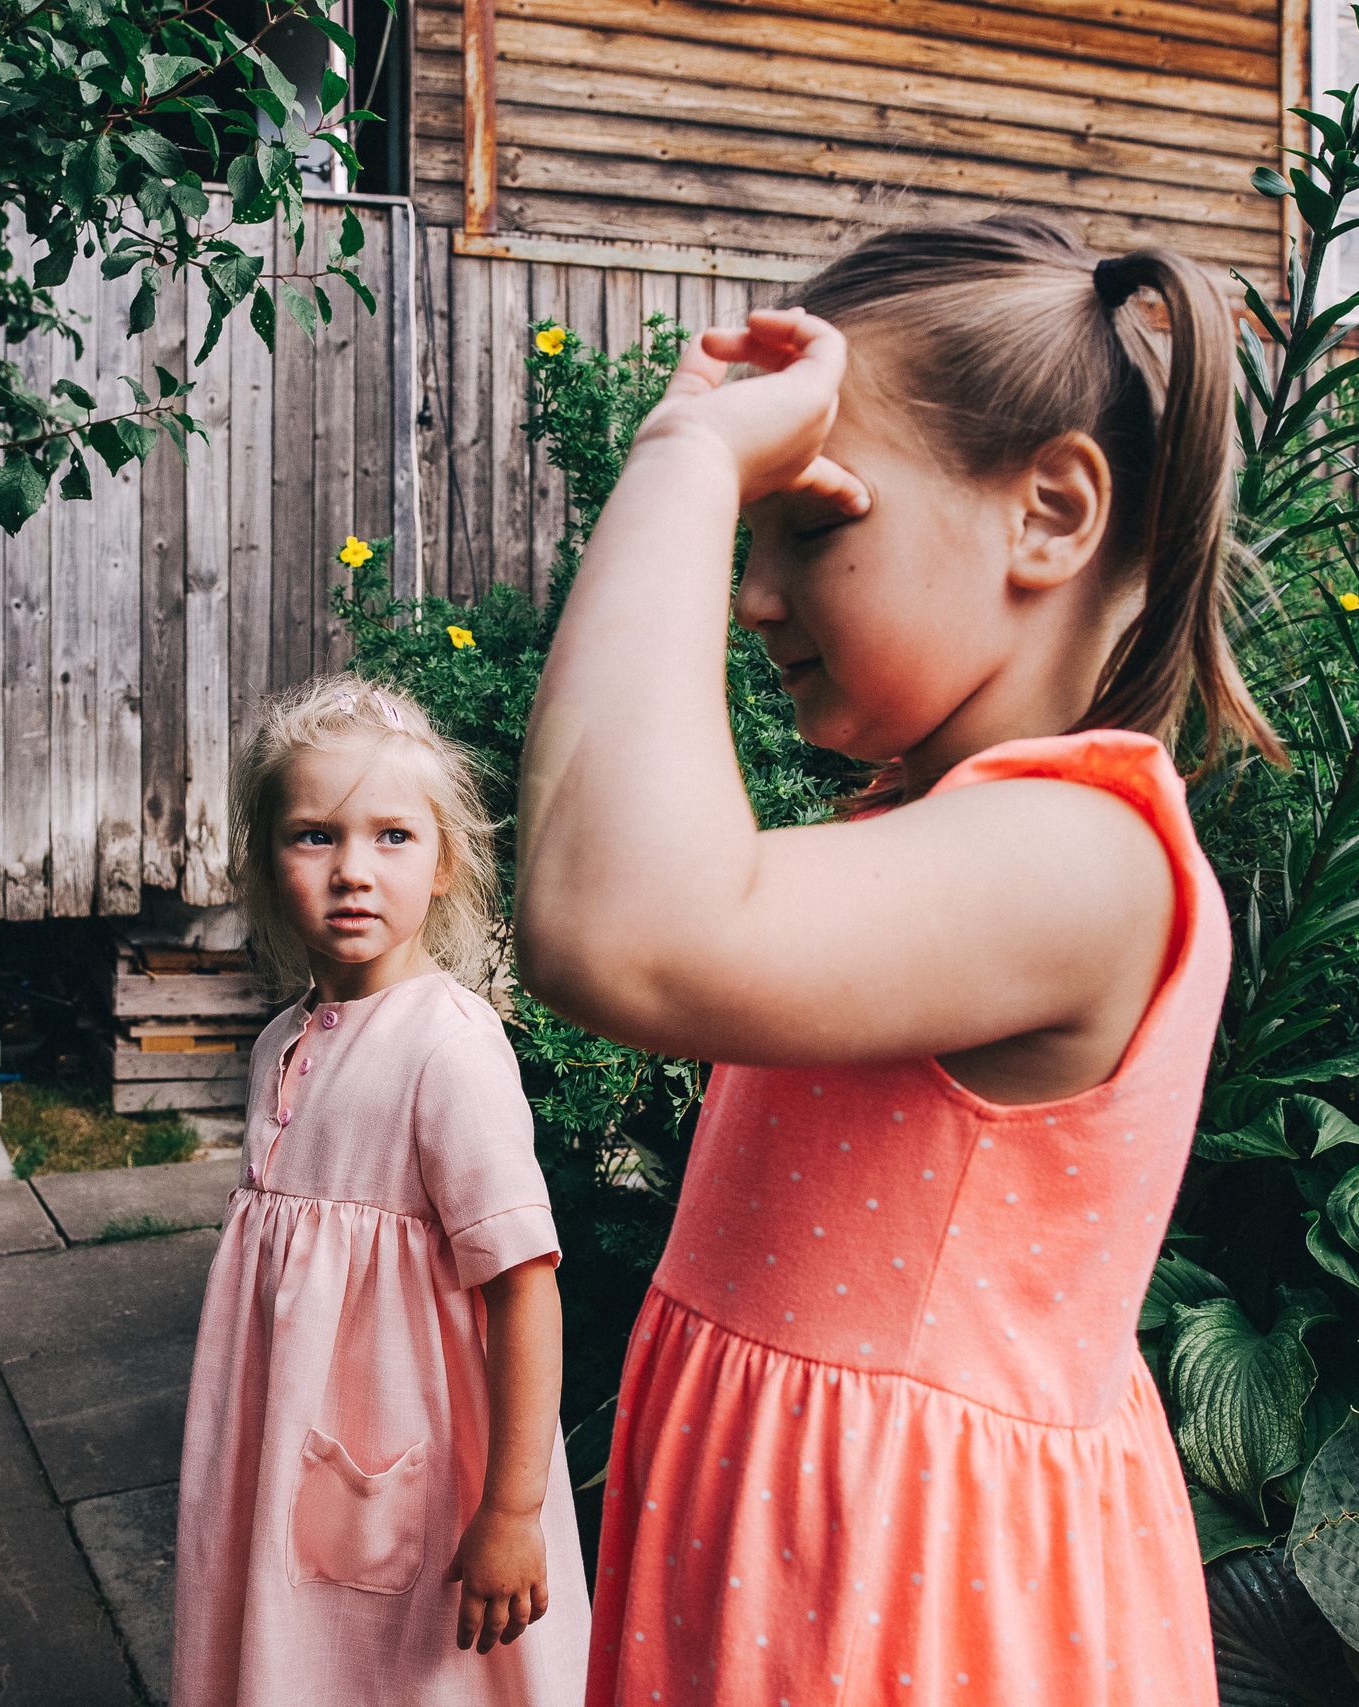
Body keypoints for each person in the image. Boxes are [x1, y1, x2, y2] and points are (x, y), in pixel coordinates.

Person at [514, 216, 1280, 1704]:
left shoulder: (1076, 854)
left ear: (1049, 514)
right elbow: (598, 867)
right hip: (820, 1561)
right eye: (753, 535)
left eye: (808, 523)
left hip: (898, 1596)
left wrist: (685, 461)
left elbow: (616, 926)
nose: (752, 593)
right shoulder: (949, 830)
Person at [173, 674, 591, 1706]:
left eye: (393, 836)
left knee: (408, 1677)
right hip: (282, 1441)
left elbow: (523, 1286)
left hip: (407, 1466)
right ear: (266, 862)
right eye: (314, 835)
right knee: (290, 1651)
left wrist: (511, 1512)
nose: (353, 870)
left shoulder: (447, 1050)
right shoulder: (280, 1042)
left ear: (444, 862)